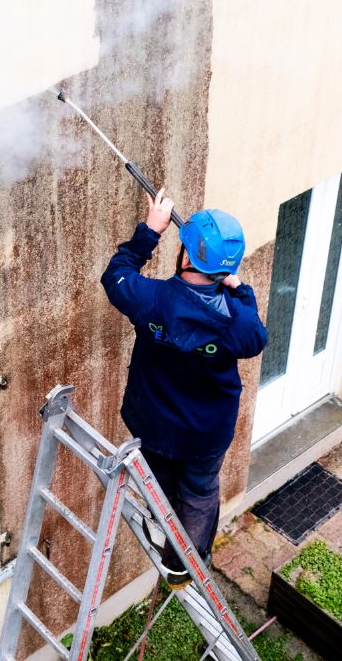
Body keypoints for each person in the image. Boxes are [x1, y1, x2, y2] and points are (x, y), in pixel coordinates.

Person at [101, 189, 268, 588]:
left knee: (159, 483)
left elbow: (116, 275)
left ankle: (165, 532)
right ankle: (185, 564)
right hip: (206, 432)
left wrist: (150, 231)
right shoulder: (239, 323)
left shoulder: (150, 300)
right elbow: (255, 335)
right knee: (199, 491)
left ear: (187, 258)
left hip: (154, 423)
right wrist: (238, 287)